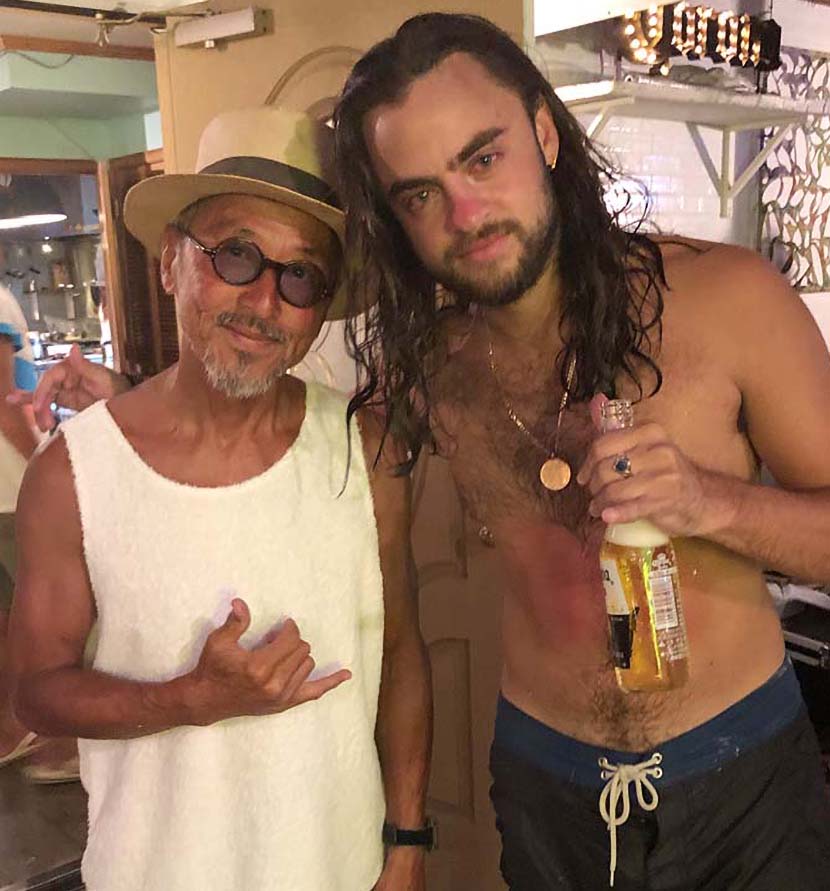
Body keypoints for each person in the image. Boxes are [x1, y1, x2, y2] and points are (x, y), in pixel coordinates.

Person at [24, 13, 830, 890]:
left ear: (545, 134)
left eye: (482, 159)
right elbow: (250, 407)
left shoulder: (729, 300)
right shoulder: (431, 367)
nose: (466, 214)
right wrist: (125, 411)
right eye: (418, 195)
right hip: (547, 789)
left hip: (741, 781)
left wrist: (711, 502)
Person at [8, 106, 431, 891]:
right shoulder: (73, 476)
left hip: (340, 870)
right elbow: (36, 692)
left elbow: (402, 652)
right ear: (171, 261)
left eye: (300, 275)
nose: (265, 301)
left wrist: (407, 843)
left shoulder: (365, 453)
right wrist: (192, 697)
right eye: (236, 254)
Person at [0, 280, 78, 783]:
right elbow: (5, 400)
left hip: (7, 492)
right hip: (11, 489)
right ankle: (50, 741)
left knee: (17, 621)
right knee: (36, 621)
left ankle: (25, 734)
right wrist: (43, 467)